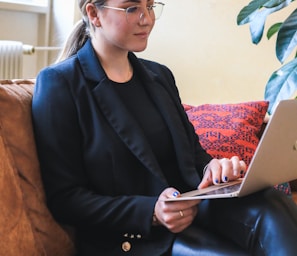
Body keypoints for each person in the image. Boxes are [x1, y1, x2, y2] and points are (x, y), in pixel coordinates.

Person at [32, 0, 297, 255]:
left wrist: (214, 169)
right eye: (131, 8)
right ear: (94, 13)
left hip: (193, 211)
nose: (146, 18)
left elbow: (195, 156)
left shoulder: (160, 77)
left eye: (150, 5)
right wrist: (151, 212)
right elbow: (65, 198)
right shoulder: (59, 84)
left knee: (271, 203)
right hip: (131, 239)